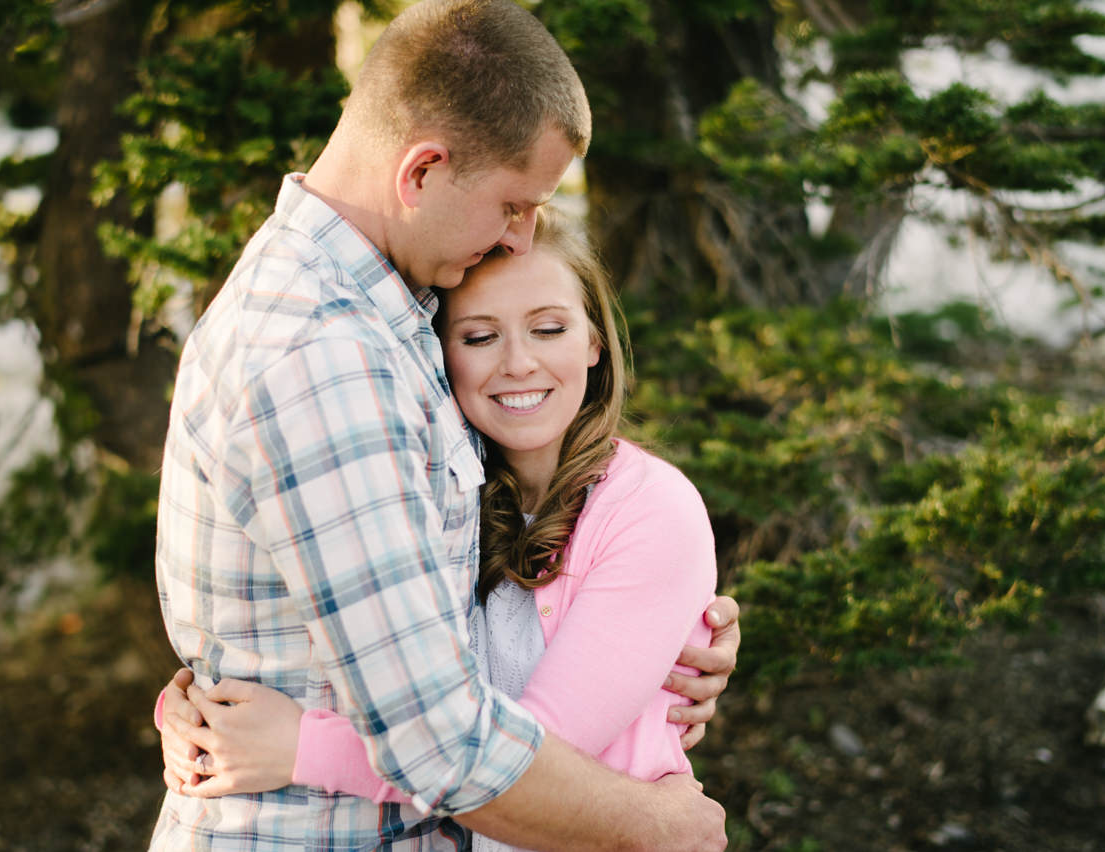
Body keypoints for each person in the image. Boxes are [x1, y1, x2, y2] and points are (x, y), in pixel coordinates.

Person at [150, 1, 737, 849]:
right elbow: (441, 746)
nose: (518, 239)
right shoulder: (322, 356)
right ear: (420, 171)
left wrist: (664, 649)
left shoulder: (389, 307)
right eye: (510, 206)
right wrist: (654, 825)